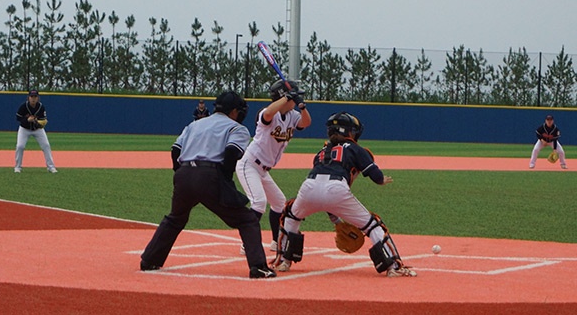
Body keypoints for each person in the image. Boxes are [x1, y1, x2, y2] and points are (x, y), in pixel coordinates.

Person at [140, 91, 276, 279]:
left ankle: (149, 260)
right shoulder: (237, 128)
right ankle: (258, 267)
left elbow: (175, 150)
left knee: (175, 218)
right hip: (209, 175)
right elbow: (230, 154)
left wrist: (181, 174)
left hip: (183, 174)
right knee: (247, 219)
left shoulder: (194, 124)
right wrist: (224, 182)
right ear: (235, 111)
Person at [271, 111, 417, 277]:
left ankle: (283, 261)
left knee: (290, 215)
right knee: (372, 224)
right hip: (336, 188)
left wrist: (335, 220)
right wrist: (382, 180)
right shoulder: (356, 148)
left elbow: (322, 191)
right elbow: (375, 176)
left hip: (309, 187)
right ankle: (394, 267)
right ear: (350, 132)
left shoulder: (322, 151)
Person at [235, 80, 311, 254]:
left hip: (263, 169)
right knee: (259, 202)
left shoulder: (292, 115)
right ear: (282, 97)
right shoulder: (268, 113)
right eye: (294, 96)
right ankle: (247, 243)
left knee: (279, 203)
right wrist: (286, 98)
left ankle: (276, 242)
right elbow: (268, 113)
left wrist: (302, 106)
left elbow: (306, 123)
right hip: (250, 165)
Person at [14, 90, 57, 173]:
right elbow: (18, 118)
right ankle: (17, 167)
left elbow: (42, 120)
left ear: (38, 98)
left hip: (37, 130)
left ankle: (51, 167)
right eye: (32, 97)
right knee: (20, 146)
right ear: (28, 98)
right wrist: (27, 120)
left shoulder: (41, 107)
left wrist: (40, 122)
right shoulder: (23, 106)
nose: (33, 99)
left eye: (35, 97)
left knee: (46, 145)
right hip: (24, 129)